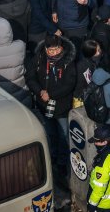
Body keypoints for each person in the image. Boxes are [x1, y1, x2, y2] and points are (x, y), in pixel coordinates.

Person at [25, 35, 76, 178]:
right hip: (44, 105)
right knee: (51, 133)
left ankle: (61, 163)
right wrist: (40, 91)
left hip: (61, 108)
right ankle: (52, 156)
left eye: (56, 49)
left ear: (61, 47)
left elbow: (69, 84)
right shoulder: (39, 58)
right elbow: (30, 77)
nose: (53, 52)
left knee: (64, 136)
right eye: (50, 50)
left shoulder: (68, 61)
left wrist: (50, 94)